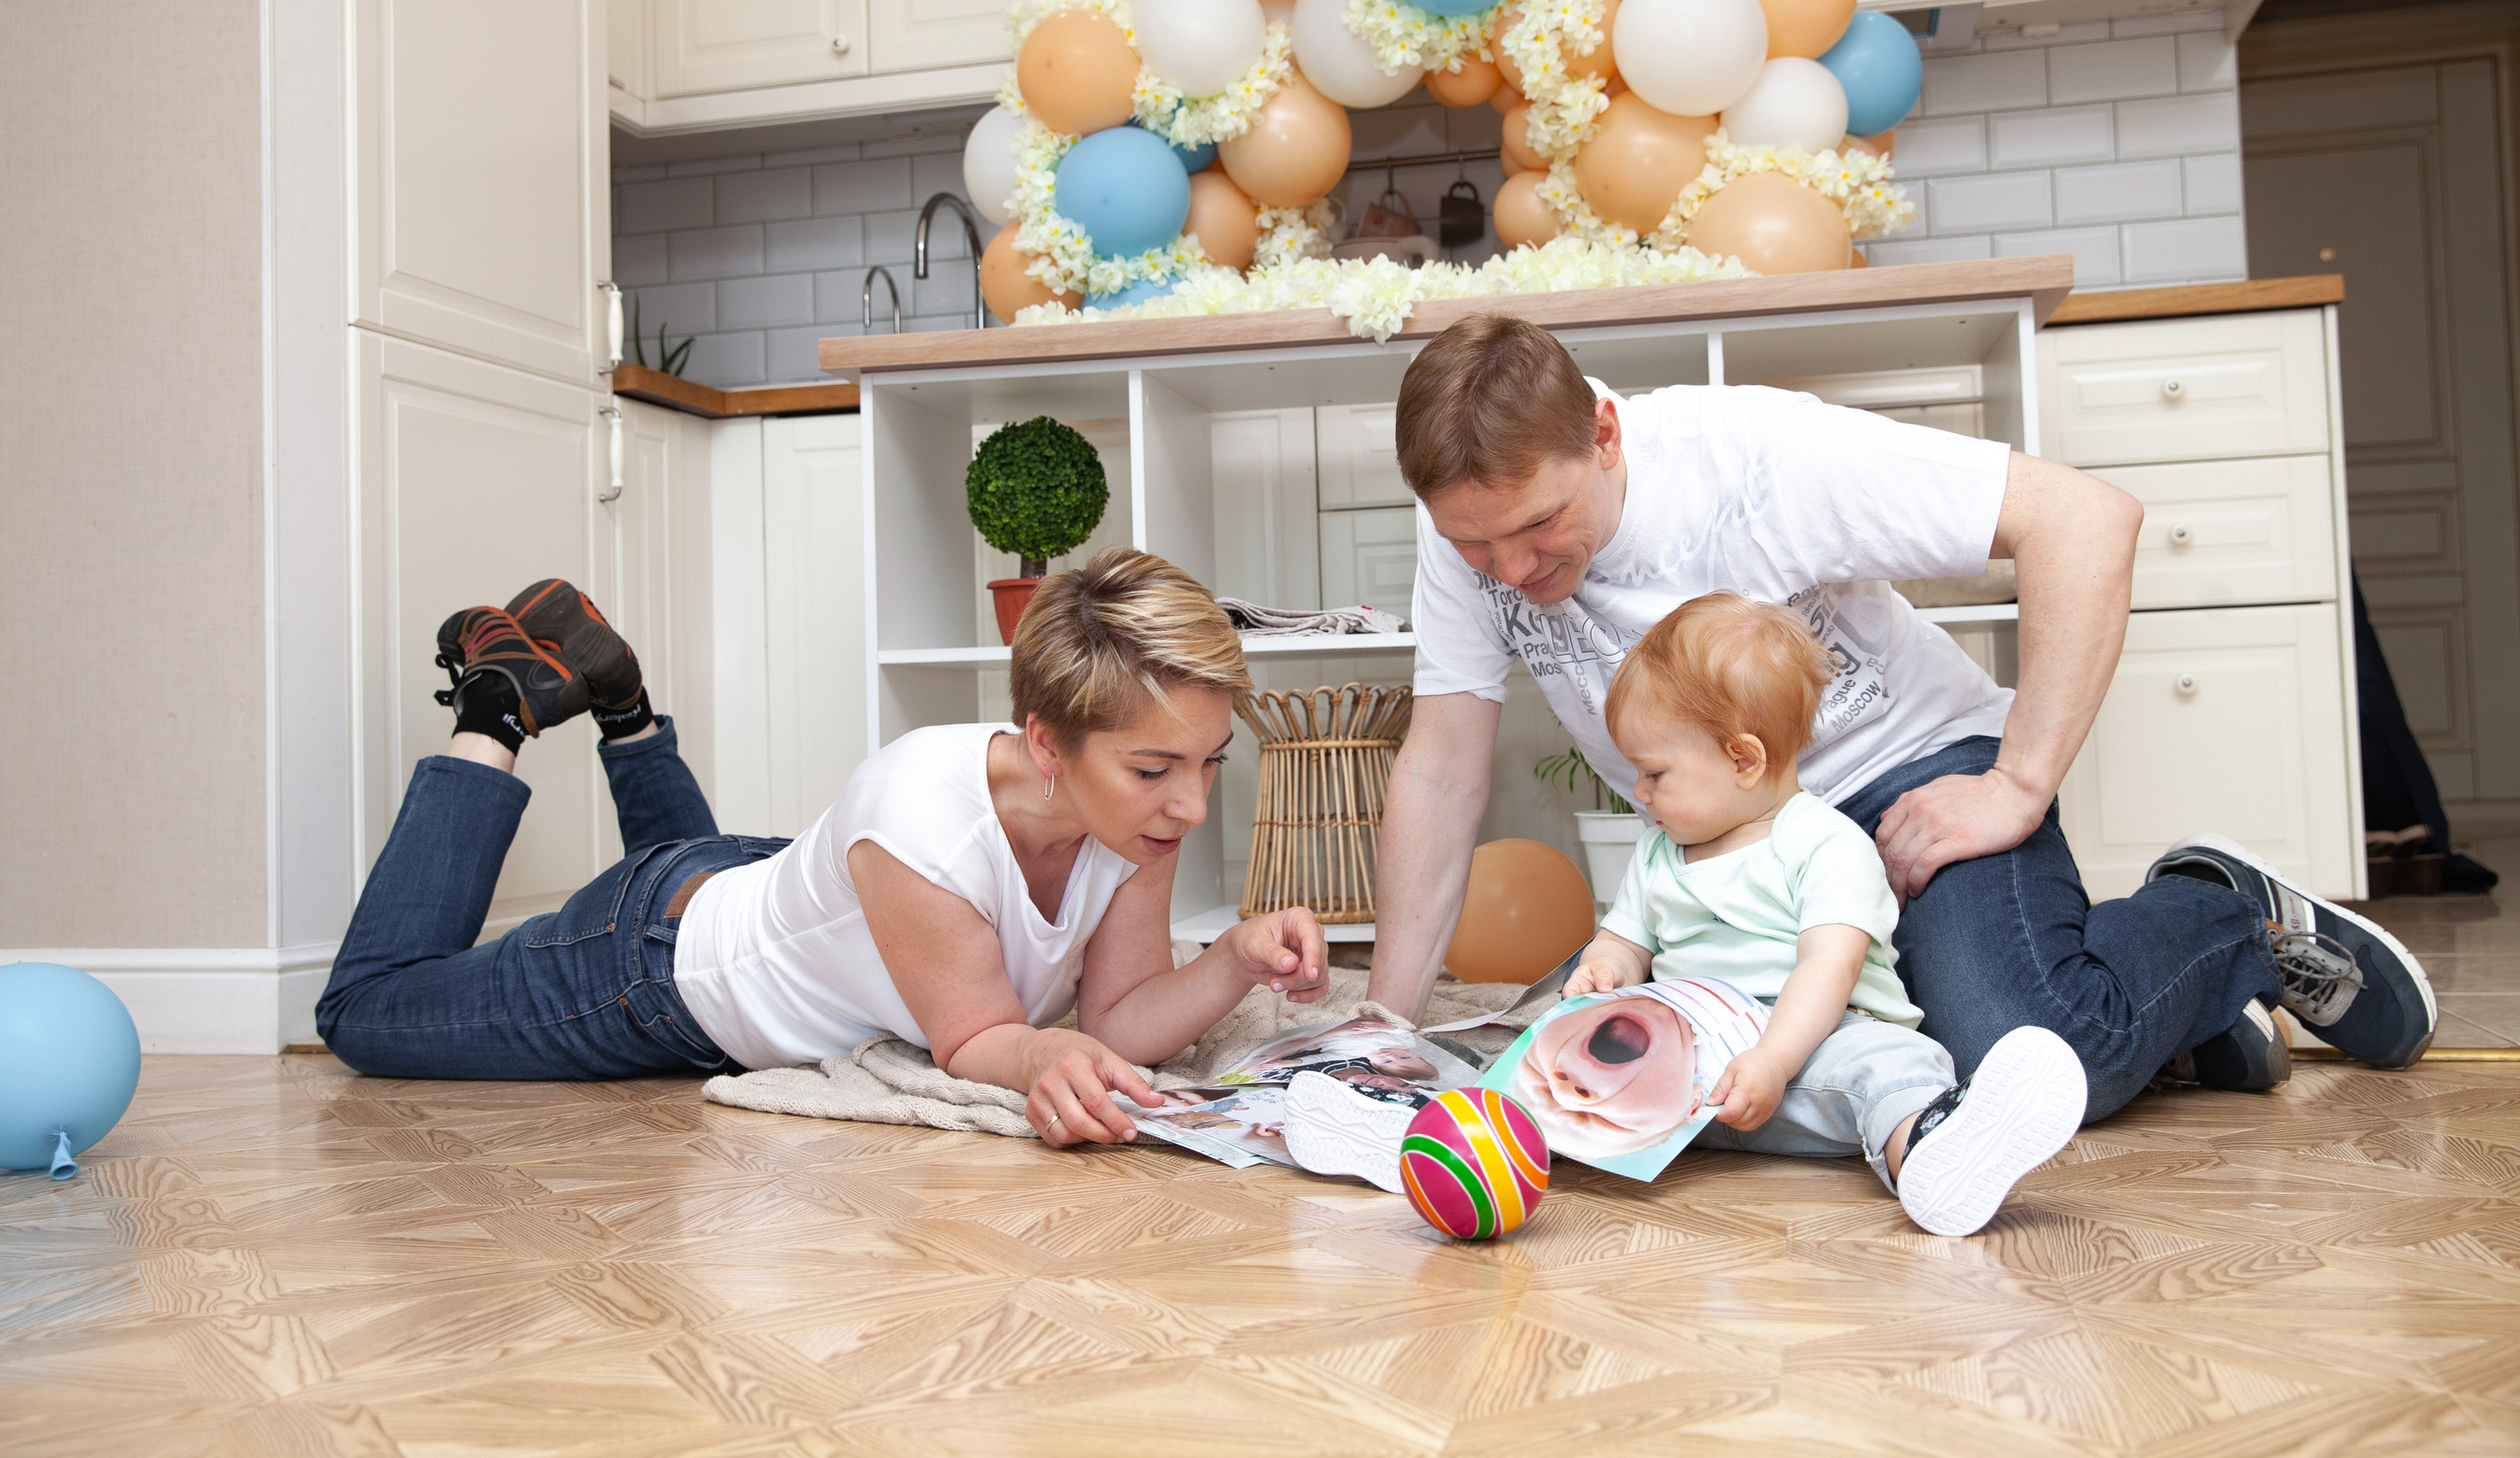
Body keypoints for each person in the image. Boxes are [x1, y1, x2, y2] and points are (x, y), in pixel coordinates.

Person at [1362, 313, 2437, 1120]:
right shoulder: (1471, 521)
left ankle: (2225, 915)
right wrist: (1384, 1033)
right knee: (1620, 1075)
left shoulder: (1755, 456)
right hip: (1728, 840)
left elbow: (2082, 518)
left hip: (1910, 779)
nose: (1509, 568)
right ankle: (2188, 1018)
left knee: (2030, 1048)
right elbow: (1444, 765)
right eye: (1473, 545)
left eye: (1539, 526)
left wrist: (2016, 783)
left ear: (1603, 434)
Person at [316, 550, 1329, 1148]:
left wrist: (1232, 958)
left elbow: (1118, 1016)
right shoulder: (922, 825)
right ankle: (496, 707)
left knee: (730, 877)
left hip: (758, 882)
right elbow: (977, 1042)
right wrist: (1039, 1055)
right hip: (649, 970)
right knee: (364, 1013)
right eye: (1155, 769)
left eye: (1210, 762)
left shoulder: (1134, 815)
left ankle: (621, 703)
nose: (1191, 804)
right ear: (1046, 744)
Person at [1548, 593, 2087, 1236]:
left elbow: (1828, 969)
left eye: (1654, 773)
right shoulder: (1658, 854)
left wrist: (1773, 1060)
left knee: (1889, 1067)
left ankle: (1929, 1152)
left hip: (1815, 1047)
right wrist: (1605, 969)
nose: (1639, 792)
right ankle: (1517, 1136)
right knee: (1563, 1060)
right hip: (1696, 1072)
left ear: (1744, 759)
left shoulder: (1826, 845)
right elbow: (1626, 941)